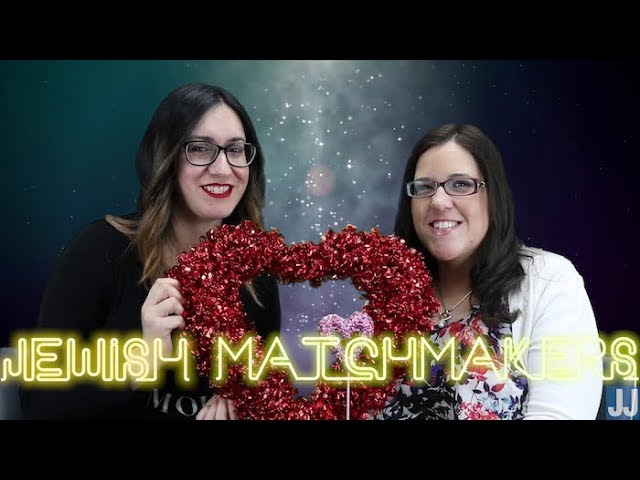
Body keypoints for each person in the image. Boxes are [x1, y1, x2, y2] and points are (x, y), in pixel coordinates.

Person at [20, 83, 281, 420]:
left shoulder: (256, 274)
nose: (222, 168)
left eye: (235, 149)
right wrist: (143, 364)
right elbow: (39, 405)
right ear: (165, 158)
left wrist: (249, 405)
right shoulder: (100, 252)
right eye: (200, 149)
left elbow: (265, 395)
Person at [377, 123, 602, 420]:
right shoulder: (392, 298)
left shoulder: (548, 281)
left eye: (460, 184)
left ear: (493, 195)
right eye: (424, 187)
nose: (439, 201)